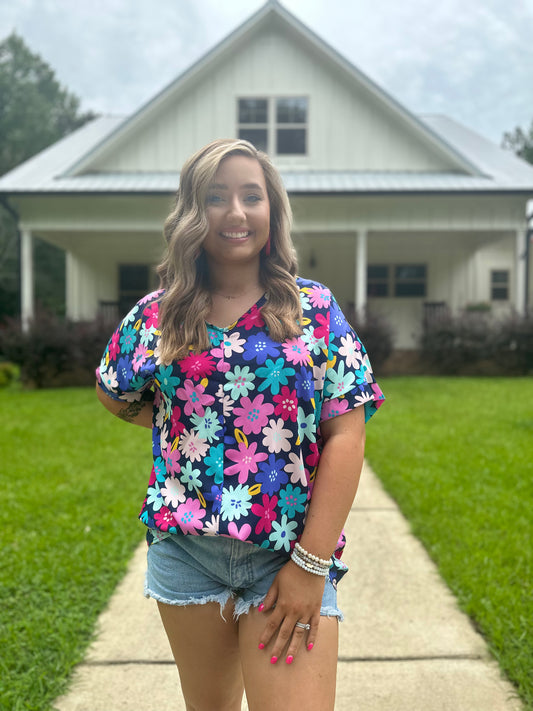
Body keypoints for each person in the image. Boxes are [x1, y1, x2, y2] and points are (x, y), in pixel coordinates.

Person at [96, 138, 384, 711]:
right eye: (215, 197)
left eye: (251, 196)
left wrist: (310, 564)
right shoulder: (158, 312)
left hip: (289, 552)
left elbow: (347, 435)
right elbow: (112, 389)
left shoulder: (313, 309)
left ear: (272, 211)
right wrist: (176, 423)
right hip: (186, 550)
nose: (235, 212)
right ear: (190, 214)